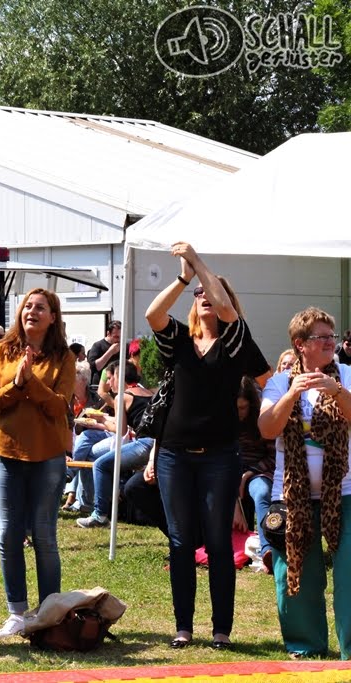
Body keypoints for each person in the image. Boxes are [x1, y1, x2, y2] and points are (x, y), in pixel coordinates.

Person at [145, 242, 270, 650]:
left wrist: (198, 263)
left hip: (219, 456)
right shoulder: (178, 341)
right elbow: (153, 315)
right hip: (173, 456)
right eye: (198, 295)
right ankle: (183, 627)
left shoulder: (235, 344)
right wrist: (184, 276)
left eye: (210, 293)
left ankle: (221, 630)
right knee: (180, 542)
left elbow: (230, 313)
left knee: (217, 543)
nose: (204, 298)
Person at [259, 306, 351, 659]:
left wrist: (337, 390)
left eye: (333, 335)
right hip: (292, 496)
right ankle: (306, 646)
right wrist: (291, 395)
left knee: (348, 575)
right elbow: (267, 428)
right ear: (300, 344)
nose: (331, 342)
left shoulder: (345, 373)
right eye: (322, 337)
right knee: (296, 574)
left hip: (344, 493)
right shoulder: (281, 382)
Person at [0, 287, 75, 639]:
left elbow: (59, 406)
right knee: (8, 534)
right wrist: (18, 384)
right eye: (27, 306)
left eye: (41, 308)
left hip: (48, 456)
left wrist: (29, 382)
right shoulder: (1, 352)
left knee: (44, 535)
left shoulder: (63, 357)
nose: (32, 312)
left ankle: (49, 611)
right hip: (7, 454)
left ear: (53, 317)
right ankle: (17, 613)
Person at [76, 360, 154, 529]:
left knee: (100, 465)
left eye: (112, 378)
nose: (109, 382)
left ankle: (99, 514)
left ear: (121, 377)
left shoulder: (122, 396)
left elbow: (120, 430)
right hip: (157, 444)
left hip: (145, 445)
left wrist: (100, 419)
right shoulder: (147, 393)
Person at [234, 377, 276, 572]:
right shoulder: (223, 420)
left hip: (258, 470)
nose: (239, 413)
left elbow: (273, 455)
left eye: (243, 408)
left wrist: (250, 473)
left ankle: (268, 551)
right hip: (228, 471)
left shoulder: (262, 418)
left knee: (261, 493)